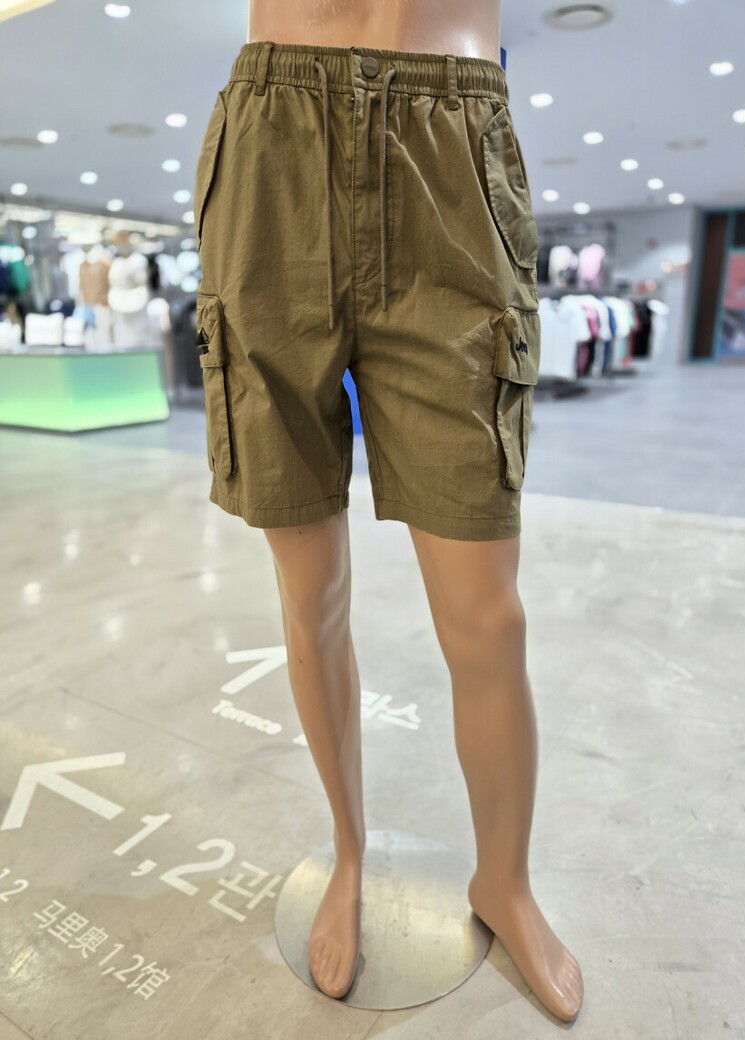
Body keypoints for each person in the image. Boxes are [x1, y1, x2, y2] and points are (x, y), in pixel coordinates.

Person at [192, 0, 584, 1022]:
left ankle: (506, 881)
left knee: (490, 617)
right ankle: (349, 849)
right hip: (274, 143)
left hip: (453, 144)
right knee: (310, 594)